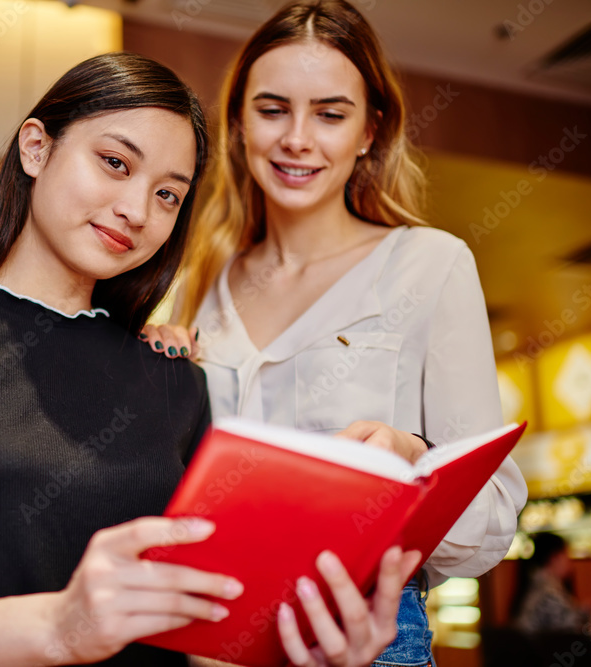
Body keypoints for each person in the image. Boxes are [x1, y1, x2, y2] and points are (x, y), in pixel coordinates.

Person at [0, 52, 421, 667]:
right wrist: (59, 628)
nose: (136, 211)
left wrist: (298, 647)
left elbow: (197, 638)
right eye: (115, 162)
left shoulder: (175, 380)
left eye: (169, 195)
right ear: (36, 148)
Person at [140, 1, 529, 664]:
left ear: (371, 130)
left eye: (329, 113)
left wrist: (410, 455)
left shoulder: (429, 264)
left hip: (365, 632)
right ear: (238, 122)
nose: (297, 138)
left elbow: (493, 516)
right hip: (206, 630)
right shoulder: (193, 280)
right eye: (271, 109)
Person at [512, 533, 591, 635]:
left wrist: (583, 610)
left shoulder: (537, 583)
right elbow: (572, 630)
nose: (571, 562)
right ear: (554, 558)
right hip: (539, 650)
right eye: (567, 555)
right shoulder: (549, 591)